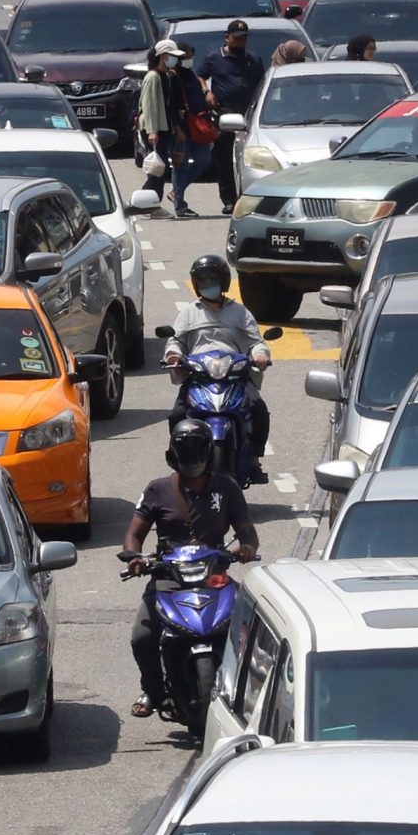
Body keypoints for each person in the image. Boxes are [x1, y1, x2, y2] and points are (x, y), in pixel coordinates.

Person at [122, 418, 260, 721]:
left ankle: (248, 687)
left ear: (209, 453)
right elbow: (135, 533)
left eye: (197, 451)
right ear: (173, 455)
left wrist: (247, 548)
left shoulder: (227, 487)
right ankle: (153, 690)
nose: (192, 460)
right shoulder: (157, 489)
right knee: (141, 637)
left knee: (245, 628)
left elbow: (247, 531)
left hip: (214, 576)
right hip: (168, 577)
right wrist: (135, 557)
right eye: (185, 452)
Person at [162, 253, 272, 483]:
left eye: (211, 281)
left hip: (235, 376)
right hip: (199, 377)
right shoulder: (189, 312)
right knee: (177, 415)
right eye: (201, 282)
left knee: (258, 409)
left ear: (222, 283)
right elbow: (176, 341)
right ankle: (180, 458)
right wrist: (173, 355)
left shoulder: (240, 312)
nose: (206, 286)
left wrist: (260, 355)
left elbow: (256, 342)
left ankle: (254, 459)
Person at [196, 22, 266, 214]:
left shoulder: (254, 59)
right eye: (236, 37)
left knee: (252, 157)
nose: (240, 40)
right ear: (227, 37)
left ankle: (252, 198)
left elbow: (263, 83)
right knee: (225, 158)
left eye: (243, 37)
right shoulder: (214, 58)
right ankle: (229, 200)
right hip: (225, 113)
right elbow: (200, 76)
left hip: (250, 115)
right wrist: (206, 92)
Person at [138, 40, 208, 216]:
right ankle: (148, 205)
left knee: (160, 169)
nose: (174, 60)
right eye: (171, 56)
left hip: (165, 127)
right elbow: (149, 106)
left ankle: (148, 204)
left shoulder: (166, 75)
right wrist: (152, 131)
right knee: (157, 170)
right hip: (155, 129)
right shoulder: (153, 77)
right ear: (163, 56)